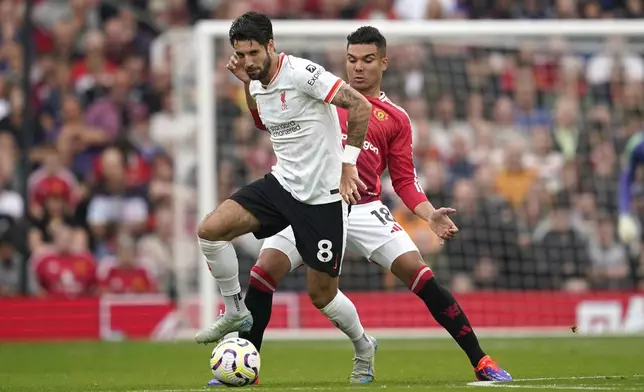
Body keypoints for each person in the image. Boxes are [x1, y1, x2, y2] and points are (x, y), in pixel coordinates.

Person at [208, 26, 512, 387]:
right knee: (263, 272)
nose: (358, 68)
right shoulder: (321, 92)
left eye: (368, 60)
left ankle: (481, 360)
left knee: (421, 275)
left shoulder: (395, 118)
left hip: (365, 209)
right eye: (351, 60)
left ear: (384, 63)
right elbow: (268, 115)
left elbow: (403, 181)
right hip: (313, 203)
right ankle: (248, 370)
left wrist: (429, 213)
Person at [195, 11, 378, 381]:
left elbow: (360, 105)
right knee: (211, 230)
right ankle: (234, 310)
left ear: (270, 46)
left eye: (253, 53)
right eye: (240, 54)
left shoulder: (303, 74)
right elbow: (263, 122)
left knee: (322, 295)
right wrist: (246, 84)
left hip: (324, 198)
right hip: (282, 186)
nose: (247, 61)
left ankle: (363, 344)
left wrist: (349, 163)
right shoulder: (255, 81)